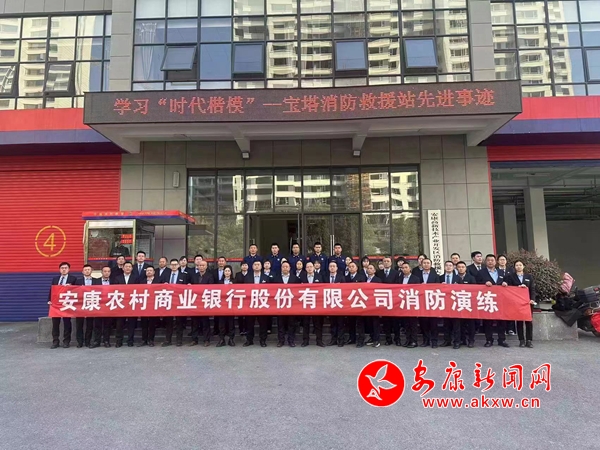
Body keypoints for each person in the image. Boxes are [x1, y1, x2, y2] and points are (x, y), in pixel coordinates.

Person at [476, 254, 509, 348]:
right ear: (485, 262)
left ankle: (501, 339)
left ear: (496, 262)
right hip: (488, 299)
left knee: (501, 320)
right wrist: (484, 283)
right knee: (488, 321)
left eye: (492, 260)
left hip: (500, 300)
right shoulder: (481, 272)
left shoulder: (501, 272)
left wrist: (505, 283)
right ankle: (489, 340)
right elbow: (476, 285)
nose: (490, 262)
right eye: (488, 260)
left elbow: (508, 282)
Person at [506, 260, 535, 348]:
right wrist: (517, 288)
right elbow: (509, 289)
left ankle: (529, 340)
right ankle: (521, 340)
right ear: (514, 267)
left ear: (523, 266)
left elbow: (532, 289)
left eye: (520, 265)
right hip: (517, 303)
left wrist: (532, 299)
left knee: (529, 322)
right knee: (519, 322)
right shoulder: (511, 276)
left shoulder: (529, 276)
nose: (518, 267)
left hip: (527, 302)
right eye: (517, 265)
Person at [49, 262, 78, 349]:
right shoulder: (55, 279)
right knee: (55, 323)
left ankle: (66, 341)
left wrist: (70, 287)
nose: (64, 269)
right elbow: (51, 290)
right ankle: (55, 341)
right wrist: (49, 300)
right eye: (62, 268)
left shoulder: (73, 279)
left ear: (69, 269)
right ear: (59, 269)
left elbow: (77, 290)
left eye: (65, 268)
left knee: (67, 323)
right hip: (56, 304)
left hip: (67, 303)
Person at [448, 261, 477, 348]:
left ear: (465, 268)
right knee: (457, 324)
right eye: (459, 267)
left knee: (470, 324)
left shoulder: (471, 278)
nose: (461, 268)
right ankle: (458, 341)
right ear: (456, 268)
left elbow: (475, 290)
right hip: (457, 304)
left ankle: (471, 340)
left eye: (463, 267)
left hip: (468, 304)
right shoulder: (453, 278)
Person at [162, 259, 190, 347]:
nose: (174, 266)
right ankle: (168, 340)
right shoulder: (166, 275)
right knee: (168, 322)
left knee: (179, 322)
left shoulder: (184, 275)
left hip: (179, 300)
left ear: (178, 265)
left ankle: (179, 340)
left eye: (175, 264)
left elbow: (187, 287)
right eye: (172, 264)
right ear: (170, 266)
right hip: (169, 300)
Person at [244, 261, 271, 347]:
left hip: (262, 303)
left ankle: (263, 340)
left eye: (258, 265)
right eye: (255, 265)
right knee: (249, 323)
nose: (256, 266)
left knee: (263, 323)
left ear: (261, 266)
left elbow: (270, 290)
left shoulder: (266, 277)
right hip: (250, 303)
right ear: (252, 267)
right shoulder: (247, 277)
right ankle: (249, 340)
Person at [376, 256, 401, 346]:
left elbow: (398, 285)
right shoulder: (379, 273)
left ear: (391, 263)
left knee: (395, 322)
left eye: (388, 261)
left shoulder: (396, 273)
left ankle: (397, 339)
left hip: (393, 299)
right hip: (383, 299)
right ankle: (388, 339)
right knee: (386, 322)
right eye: (385, 261)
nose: (386, 262)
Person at [274, 261, 300, 347]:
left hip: (291, 304)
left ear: (289, 268)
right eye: (283, 266)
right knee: (280, 324)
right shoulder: (276, 279)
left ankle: (291, 340)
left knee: (291, 324)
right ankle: (281, 340)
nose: (285, 268)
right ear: (281, 268)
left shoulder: (295, 279)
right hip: (280, 304)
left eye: (286, 267)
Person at [113, 262, 138, 348]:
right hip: (121, 303)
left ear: (132, 268)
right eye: (126, 266)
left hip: (132, 303)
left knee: (131, 323)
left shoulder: (136, 278)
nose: (127, 268)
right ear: (123, 268)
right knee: (119, 323)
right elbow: (114, 290)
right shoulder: (117, 278)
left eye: (129, 266)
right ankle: (118, 341)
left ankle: (130, 341)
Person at [299, 262, 324, 347]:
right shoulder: (302, 277)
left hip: (316, 303)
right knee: (305, 324)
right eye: (308, 267)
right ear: (305, 269)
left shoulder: (319, 277)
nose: (309, 268)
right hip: (305, 303)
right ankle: (305, 341)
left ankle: (319, 341)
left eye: (311, 266)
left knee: (317, 324)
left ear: (313, 268)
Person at [418, 258, 441, 348]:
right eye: (424, 263)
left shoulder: (435, 276)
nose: (426, 264)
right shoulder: (417, 275)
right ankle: (426, 340)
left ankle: (434, 341)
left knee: (433, 323)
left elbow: (438, 288)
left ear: (431, 265)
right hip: (421, 302)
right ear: (421, 264)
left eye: (428, 263)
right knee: (423, 323)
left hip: (432, 302)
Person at [75, 264, 100, 348]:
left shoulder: (96, 281)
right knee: (79, 325)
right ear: (82, 272)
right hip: (80, 306)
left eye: (89, 269)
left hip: (91, 305)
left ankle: (87, 341)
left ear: (91, 271)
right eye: (85, 270)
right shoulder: (78, 281)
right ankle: (79, 342)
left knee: (90, 325)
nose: (87, 271)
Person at [190, 260, 214, 347]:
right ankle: (194, 339)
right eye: (200, 265)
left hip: (204, 301)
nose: (201, 267)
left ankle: (206, 340)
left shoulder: (210, 276)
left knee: (205, 322)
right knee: (194, 322)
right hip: (195, 301)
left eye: (203, 265)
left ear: (206, 267)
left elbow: (211, 288)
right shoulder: (194, 276)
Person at [399, 262, 421, 348]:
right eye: (403, 268)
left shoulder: (415, 278)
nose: (404, 269)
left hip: (412, 303)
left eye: (406, 267)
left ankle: (414, 341)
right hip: (403, 303)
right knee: (406, 324)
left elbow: (418, 290)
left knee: (413, 324)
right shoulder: (400, 279)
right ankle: (408, 340)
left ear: (410, 268)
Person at [325, 261, 346, 347]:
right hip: (330, 303)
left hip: (339, 303)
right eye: (331, 266)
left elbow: (345, 290)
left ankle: (341, 340)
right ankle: (333, 339)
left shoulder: (341, 277)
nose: (332, 268)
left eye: (334, 266)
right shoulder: (325, 277)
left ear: (337, 268)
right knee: (333, 323)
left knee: (340, 323)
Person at [92, 266, 113, 348]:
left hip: (109, 305)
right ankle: (96, 341)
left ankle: (106, 341)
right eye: (105, 271)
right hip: (98, 305)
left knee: (107, 325)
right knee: (97, 325)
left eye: (108, 271)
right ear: (101, 272)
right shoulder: (95, 281)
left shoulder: (114, 281)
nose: (106, 273)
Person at [346, 261, 366, 347]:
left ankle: (361, 340)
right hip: (349, 303)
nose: (351, 268)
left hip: (359, 302)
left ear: (357, 268)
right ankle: (352, 338)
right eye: (349, 267)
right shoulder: (345, 278)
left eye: (353, 266)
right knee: (351, 322)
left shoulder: (361, 277)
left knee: (360, 323)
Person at [141, 266, 161, 347]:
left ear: (154, 272)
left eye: (150, 270)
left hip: (154, 305)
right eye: (147, 270)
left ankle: (151, 340)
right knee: (144, 324)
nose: (149, 272)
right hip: (144, 305)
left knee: (152, 324)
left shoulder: (159, 281)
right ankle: (144, 340)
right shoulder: (142, 281)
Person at [216, 265, 236, 347]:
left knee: (231, 323)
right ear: (223, 272)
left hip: (231, 305)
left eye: (228, 271)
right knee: (221, 323)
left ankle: (231, 339)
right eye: (226, 271)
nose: (227, 272)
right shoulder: (219, 282)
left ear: (231, 272)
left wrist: (233, 286)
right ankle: (222, 339)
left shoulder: (234, 281)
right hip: (222, 305)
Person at [364, 264, 382, 348]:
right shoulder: (365, 279)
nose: (369, 270)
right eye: (368, 268)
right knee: (369, 322)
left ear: (374, 270)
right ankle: (372, 337)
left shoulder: (378, 280)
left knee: (375, 323)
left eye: (371, 268)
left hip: (375, 304)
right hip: (366, 304)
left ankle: (377, 340)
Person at [210, 256, 227, 336]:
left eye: (222, 261)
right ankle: (216, 329)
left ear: (225, 262)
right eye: (219, 261)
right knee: (216, 313)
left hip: (225, 295)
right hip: (216, 294)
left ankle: (225, 330)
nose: (221, 262)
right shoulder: (213, 272)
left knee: (225, 313)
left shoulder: (227, 271)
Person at [235, 262, 249, 335]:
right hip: (240, 296)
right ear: (241, 267)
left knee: (247, 314)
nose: (244, 266)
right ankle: (241, 329)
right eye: (243, 265)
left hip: (248, 297)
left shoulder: (250, 274)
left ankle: (246, 329)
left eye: (245, 265)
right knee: (240, 314)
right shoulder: (237, 274)